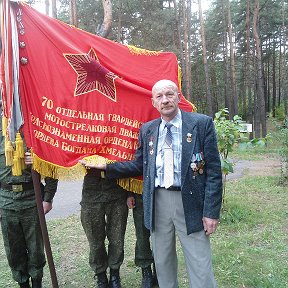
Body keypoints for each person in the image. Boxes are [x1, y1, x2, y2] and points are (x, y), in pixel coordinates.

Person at [80, 79, 223, 288]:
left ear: (178, 97)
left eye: (169, 94)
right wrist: (107, 167)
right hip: (158, 202)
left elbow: (213, 172)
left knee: (199, 260)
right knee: (163, 262)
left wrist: (211, 212)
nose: (165, 100)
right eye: (160, 96)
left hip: (190, 201)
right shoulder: (148, 129)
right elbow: (139, 165)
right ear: (153, 102)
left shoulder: (201, 124)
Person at [0, 104, 58, 288]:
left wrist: (48, 197)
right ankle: (22, 283)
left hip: (32, 198)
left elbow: (51, 166)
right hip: (6, 200)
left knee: (36, 249)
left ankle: (37, 282)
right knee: (13, 250)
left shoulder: (34, 130)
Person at [80, 169, 128, 288]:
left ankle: (114, 274)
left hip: (116, 190)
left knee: (117, 239)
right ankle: (101, 276)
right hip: (91, 192)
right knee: (95, 241)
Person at [126, 192, 157, 288]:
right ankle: (146, 271)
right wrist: (129, 195)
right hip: (139, 193)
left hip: (160, 194)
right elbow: (128, 176)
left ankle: (159, 272)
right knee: (142, 236)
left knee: (161, 236)